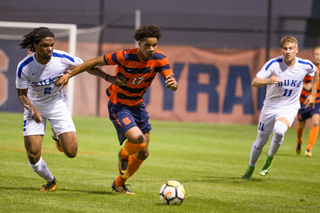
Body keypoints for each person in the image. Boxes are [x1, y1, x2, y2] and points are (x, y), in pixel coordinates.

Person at [55, 24, 178, 194]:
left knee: (144, 153)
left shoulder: (159, 58)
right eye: (147, 45)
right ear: (139, 43)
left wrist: (173, 83)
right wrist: (73, 74)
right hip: (119, 105)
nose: (151, 49)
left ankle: (119, 184)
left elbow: (169, 76)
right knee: (137, 138)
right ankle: (123, 155)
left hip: (138, 106)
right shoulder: (125, 55)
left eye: (154, 45)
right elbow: (91, 63)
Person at [15, 27, 123, 191]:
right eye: (45, 45)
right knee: (33, 154)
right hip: (34, 108)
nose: (50, 48)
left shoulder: (62, 58)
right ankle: (51, 180)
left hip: (57, 105)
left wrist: (108, 78)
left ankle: (56, 135)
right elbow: (22, 95)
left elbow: (88, 66)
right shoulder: (25, 66)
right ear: (35, 45)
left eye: (52, 44)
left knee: (71, 152)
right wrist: (31, 108)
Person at [242, 36, 319, 179]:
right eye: (285, 49)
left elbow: (315, 72)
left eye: (291, 48)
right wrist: (268, 81)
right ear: (281, 50)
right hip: (270, 107)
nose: (288, 51)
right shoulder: (273, 64)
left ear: (297, 50)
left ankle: (269, 158)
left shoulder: (304, 64)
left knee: (279, 130)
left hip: (289, 107)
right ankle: (251, 166)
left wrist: (313, 94)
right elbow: (255, 81)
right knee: (260, 141)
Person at [296, 46, 320, 157]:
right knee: (301, 124)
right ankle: (299, 141)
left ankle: (309, 148)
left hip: (318, 99)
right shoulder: (308, 68)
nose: (318, 57)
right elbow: (296, 82)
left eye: (319, 54)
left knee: (316, 121)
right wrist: (305, 86)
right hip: (304, 100)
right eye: (316, 54)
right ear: (313, 55)